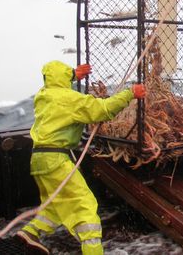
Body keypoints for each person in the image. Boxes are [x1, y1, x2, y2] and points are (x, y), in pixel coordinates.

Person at [16, 60, 146, 255]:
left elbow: (55, 85)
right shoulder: (69, 99)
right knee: (85, 207)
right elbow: (103, 110)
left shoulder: (43, 95)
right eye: (69, 75)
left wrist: (73, 75)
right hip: (56, 161)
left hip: (38, 158)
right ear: (64, 78)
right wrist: (130, 93)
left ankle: (30, 232)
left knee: (55, 204)